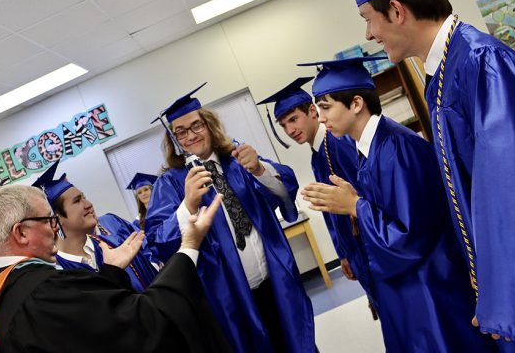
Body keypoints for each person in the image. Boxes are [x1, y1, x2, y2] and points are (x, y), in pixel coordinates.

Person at [355, 0, 515, 350]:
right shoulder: (445, 72)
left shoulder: (481, 63)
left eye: (368, 19)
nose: (368, 34)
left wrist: (509, 301)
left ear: (397, 11)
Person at [299, 57, 498, 353]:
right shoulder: (369, 149)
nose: (322, 118)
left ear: (356, 103)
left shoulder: (397, 147)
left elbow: (411, 236)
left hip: (431, 289)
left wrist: (356, 207)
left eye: (326, 107)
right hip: (408, 289)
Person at [145, 83, 316, 353]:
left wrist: (260, 169)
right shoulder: (171, 184)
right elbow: (157, 242)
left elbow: (284, 194)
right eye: (180, 131)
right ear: (174, 139)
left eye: (196, 126)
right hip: (231, 300)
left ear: (209, 125)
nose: (190, 136)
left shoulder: (238, 159)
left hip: (277, 285)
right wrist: (188, 204)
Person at [0, 184, 232, 353]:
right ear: (21, 233)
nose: (55, 228)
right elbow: (144, 321)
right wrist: (189, 245)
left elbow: (95, 330)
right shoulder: (46, 291)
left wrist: (111, 272)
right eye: (49, 220)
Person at [257, 77, 378, 310]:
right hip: (356, 249)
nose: (290, 130)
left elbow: (363, 196)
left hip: (369, 246)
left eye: (293, 119)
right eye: (283, 125)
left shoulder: (337, 143)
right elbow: (331, 210)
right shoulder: (318, 152)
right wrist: (343, 254)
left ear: (312, 110)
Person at [32, 160, 158, 292]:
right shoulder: (58, 274)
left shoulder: (116, 244)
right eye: (77, 201)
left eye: (84, 197)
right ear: (56, 220)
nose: (89, 204)